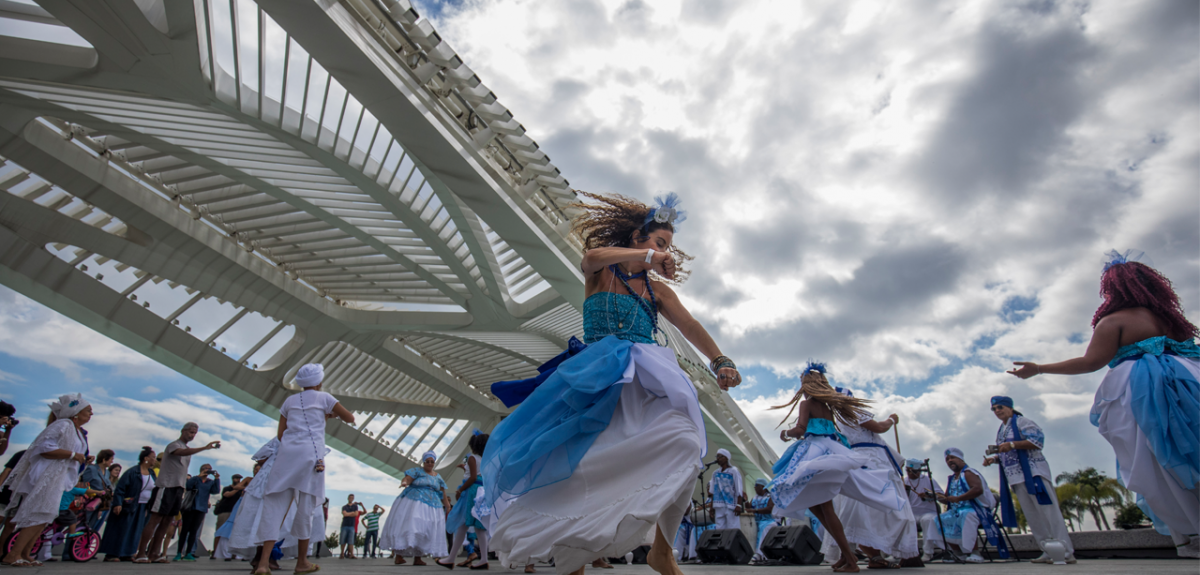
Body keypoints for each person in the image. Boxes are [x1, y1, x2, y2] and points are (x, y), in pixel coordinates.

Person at [482, 192, 740, 575]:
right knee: (586, 463)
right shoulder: (602, 271)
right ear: (637, 237)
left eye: (667, 246)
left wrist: (720, 360)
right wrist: (647, 258)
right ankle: (574, 554)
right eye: (660, 242)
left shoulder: (659, 291)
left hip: (649, 373)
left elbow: (689, 325)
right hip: (599, 372)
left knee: (686, 444)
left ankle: (662, 551)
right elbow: (590, 258)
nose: (664, 251)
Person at [1009, 250, 1199, 558]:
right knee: (1189, 455)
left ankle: (1186, 540)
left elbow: (1090, 363)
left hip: (1143, 393)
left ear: (1112, 290)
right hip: (1189, 385)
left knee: (1155, 461)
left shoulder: (1113, 322)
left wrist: (1039, 368)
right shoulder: (1171, 321)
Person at [769, 364, 903, 573]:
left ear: (806, 385)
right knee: (817, 506)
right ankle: (845, 554)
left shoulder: (807, 404)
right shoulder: (828, 407)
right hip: (832, 450)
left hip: (815, 452)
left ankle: (850, 559)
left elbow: (801, 430)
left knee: (824, 507)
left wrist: (786, 433)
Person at [254, 362, 354, 575]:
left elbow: (281, 434)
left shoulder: (290, 401)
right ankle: (301, 562)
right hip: (311, 457)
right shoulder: (325, 398)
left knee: (274, 508)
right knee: (305, 509)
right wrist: (329, 415)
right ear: (319, 381)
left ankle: (263, 563)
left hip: (286, 457)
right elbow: (350, 417)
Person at [818, 389, 917, 569]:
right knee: (878, 505)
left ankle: (856, 554)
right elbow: (879, 427)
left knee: (854, 506)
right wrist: (891, 420)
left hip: (851, 458)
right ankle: (869, 554)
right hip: (871, 459)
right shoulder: (853, 411)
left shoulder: (834, 419)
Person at [0, 393, 93, 567]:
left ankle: (26, 553)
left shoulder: (76, 431)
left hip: (59, 477)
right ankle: (13, 554)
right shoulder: (63, 425)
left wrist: (80, 458)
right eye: (88, 410)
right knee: (38, 513)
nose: (91, 414)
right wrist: (73, 455)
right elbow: (44, 448)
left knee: (46, 516)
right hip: (48, 476)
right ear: (76, 412)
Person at [983, 396, 1076, 563]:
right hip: (1016, 477)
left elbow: (1037, 441)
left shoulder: (1022, 422)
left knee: (1049, 513)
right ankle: (1048, 549)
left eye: (1000, 407)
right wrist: (995, 458)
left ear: (1010, 408)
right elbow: (1009, 453)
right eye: (994, 409)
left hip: (1033, 474)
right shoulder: (1002, 429)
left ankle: (1065, 552)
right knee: (1033, 516)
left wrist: (1012, 445)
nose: (997, 411)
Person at [135, 422, 220, 563]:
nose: (192, 435)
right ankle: (141, 553)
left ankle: (154, 553)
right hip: (166, 486)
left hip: (178, 488)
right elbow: (180, 452)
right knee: (155, 519)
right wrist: (204, 448)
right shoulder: (174, 445)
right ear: (183, 431)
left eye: (195, 433)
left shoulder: (187, 449)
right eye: (190, 432)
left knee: (167, 521)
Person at [381, 451, 448, 565]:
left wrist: (447, 505)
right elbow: (407, 478)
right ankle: (399, 555)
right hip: (415, 502)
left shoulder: (438, 477)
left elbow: (442, 491)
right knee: (411, 527)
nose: (430, 464)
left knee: (425, 530)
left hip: (432, 506)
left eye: (432, 462)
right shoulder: (417, 471)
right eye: (427, 461)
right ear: (424, 462)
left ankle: (418, 558)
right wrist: (404, 483)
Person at [936, 448, 1002, 563]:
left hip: (977, 509)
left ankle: (975, 552)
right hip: (959, 511)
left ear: (961, 459)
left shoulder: (969, 473)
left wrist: (958, 498)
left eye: (952, 458)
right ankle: (958, 553)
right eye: (947, 459)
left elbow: (977, 490)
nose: (950, 461)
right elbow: (947, 499)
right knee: (939, 519)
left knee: (966, 515)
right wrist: (933, 496)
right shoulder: (952, 478)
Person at [439, 433, 489, 569]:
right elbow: (478, 475)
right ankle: (481, 559)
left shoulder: (472, 458)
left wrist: (460, 490)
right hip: (481, 491)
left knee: (464, 524)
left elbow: (472, 477)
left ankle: (451, 558)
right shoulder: (485, 459)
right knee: (476, 527)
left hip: (471, 492)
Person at [100, 447, 156, 561]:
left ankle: (128, 553)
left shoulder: (151, 473)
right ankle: (112, 554)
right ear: (146, 459)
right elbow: (120, 488)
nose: (155, 460)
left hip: (143, 506)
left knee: (135, 530)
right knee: (121, 528)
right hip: (129, 504)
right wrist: (118, 504)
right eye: (153, 458)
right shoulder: (132, 472)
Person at [902, 459, 944, 562]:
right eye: (908, 470)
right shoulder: (903, 481)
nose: (909, 473)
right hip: (911, 513)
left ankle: (928, 553)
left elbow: (942, 496)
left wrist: (928, 495)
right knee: (900, 520)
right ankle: (898, 554)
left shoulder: (929, 480)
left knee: (927, 520)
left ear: (919, 471)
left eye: (912, 471)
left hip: (928, 512)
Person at [178, 463, 221, 560]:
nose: (208, 470)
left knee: (194, 531)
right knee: (185, 530)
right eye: (206, 468)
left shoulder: (210, 482)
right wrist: (198, 476)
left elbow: (216, 491)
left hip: (201, 508)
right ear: (201, 469)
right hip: (190, 507)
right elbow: (188, 486)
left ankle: (189, 553)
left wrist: (217, 479)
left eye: (210, 469)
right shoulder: (195, 479)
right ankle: (179, 552)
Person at [707, 449, 744, 531]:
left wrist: (738, 505)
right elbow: (713, 491)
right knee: (720, 530)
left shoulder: (733, 471)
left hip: (731, 505)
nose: (718, 458)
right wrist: (712, 507)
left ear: (727, 458)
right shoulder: (715, 473)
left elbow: (739, 489)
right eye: (717, 456)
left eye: (720, 456)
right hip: (718, 505)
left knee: (732, 529)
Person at [81, 449, 115, 531]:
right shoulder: (91, 469)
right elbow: (84, 485)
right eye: (111, 459)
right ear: (104, 459)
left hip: (100, 503)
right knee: (81, 526)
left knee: (91, 528)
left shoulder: (107, 473)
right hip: (88, 501)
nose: (112, 461)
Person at [211, 473, 244, 559]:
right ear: (233, 479)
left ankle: (233, 554)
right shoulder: (227, 488)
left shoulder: (241, 491)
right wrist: (237, 489)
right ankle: (215, 552)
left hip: (236, 513)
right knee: (219, 531)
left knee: (234, 533)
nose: (238, 480)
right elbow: (227, 495)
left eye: (239, 479)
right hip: (225, 512)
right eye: (237, 478)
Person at [743, 479, 775, 562]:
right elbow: (749, 508)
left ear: (763, 486)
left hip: (768, 521)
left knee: (763, 528)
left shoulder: (770, 497)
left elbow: (770, 508)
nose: (755, 488)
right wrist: (746, 500)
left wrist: (755, 510)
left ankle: (759, 554)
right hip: (756, 521)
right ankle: (749, 552)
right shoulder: (754, 498)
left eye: (756, 486)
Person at [340, 494, 364, 558]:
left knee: (351, 541)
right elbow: (345, 514)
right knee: (343, 540)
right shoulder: (344, 507)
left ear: (353, 498)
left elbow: (356, 514)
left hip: (351, 526)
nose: (351, 498)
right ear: (348, 498)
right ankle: (342, 553)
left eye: (352, 498)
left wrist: (348, 513)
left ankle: (351, 554)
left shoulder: (355, 506)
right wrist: (352, 513)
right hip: (344, 525)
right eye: (350, 497)